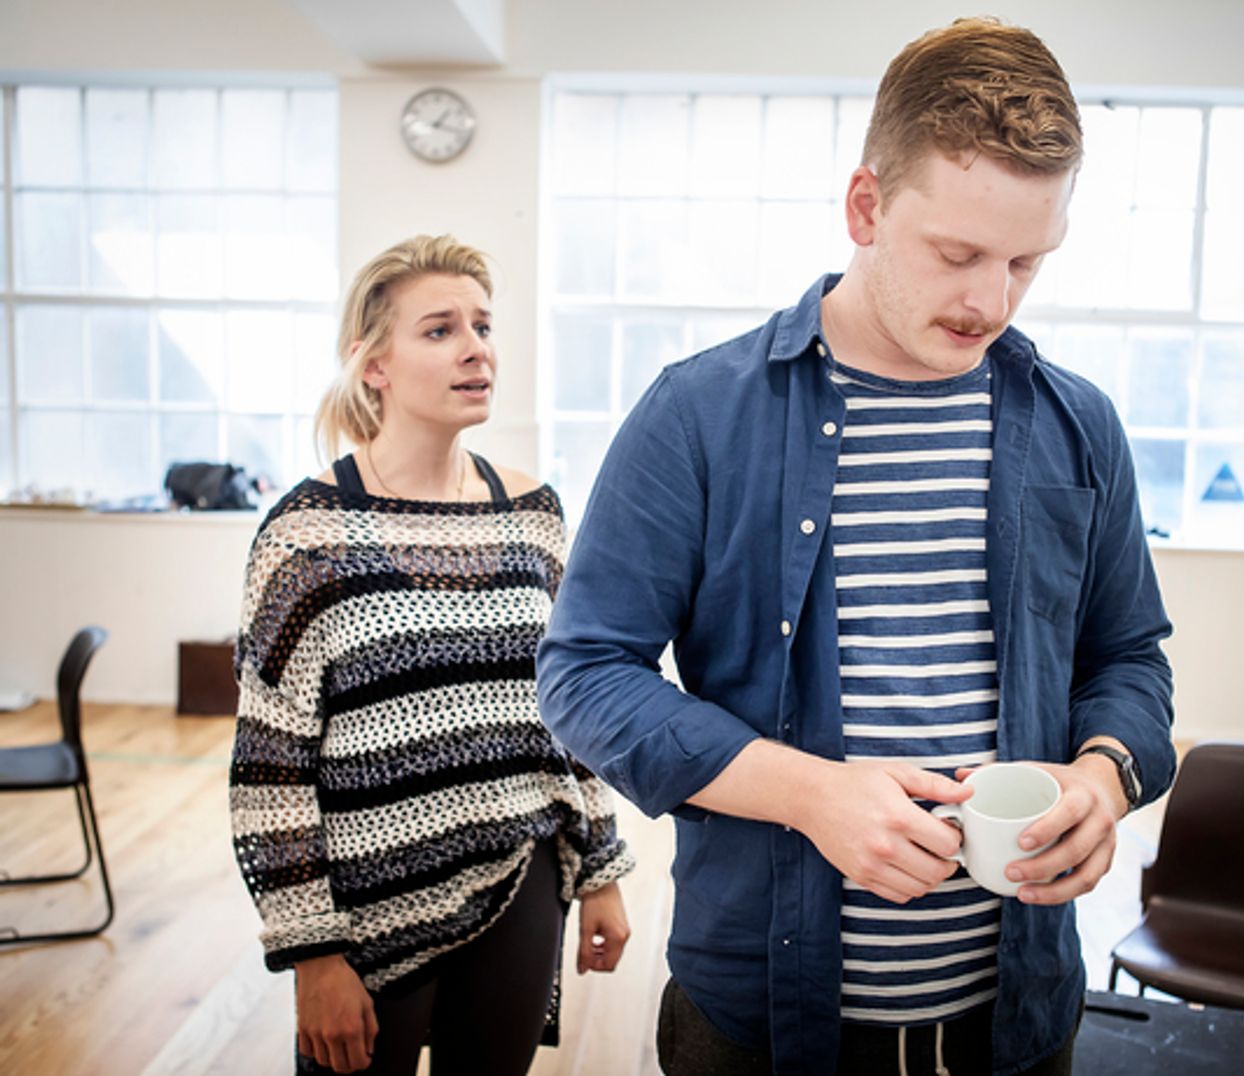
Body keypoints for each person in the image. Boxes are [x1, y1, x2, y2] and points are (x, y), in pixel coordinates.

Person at [537, 18, 1173, 1076]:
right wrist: (808, 791)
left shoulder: (1078, 422)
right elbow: (582, 674)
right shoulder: (695, 415)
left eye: (1026, 260)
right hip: (757, 1021)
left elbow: (1129, 657)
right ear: (865, 207)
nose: (990, 300)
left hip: (1018, 1016)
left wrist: (1102, 777)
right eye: (957, 253)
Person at [229, 234, 634, 1076]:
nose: (476, 348)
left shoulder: (531, 513)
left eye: (482, 326)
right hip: (366, 912)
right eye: (440, 330)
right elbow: (270, 766)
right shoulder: (307, 537)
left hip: (521, 882)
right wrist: (311, 954)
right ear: (371, 364)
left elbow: (572, 710)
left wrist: (601, 868)